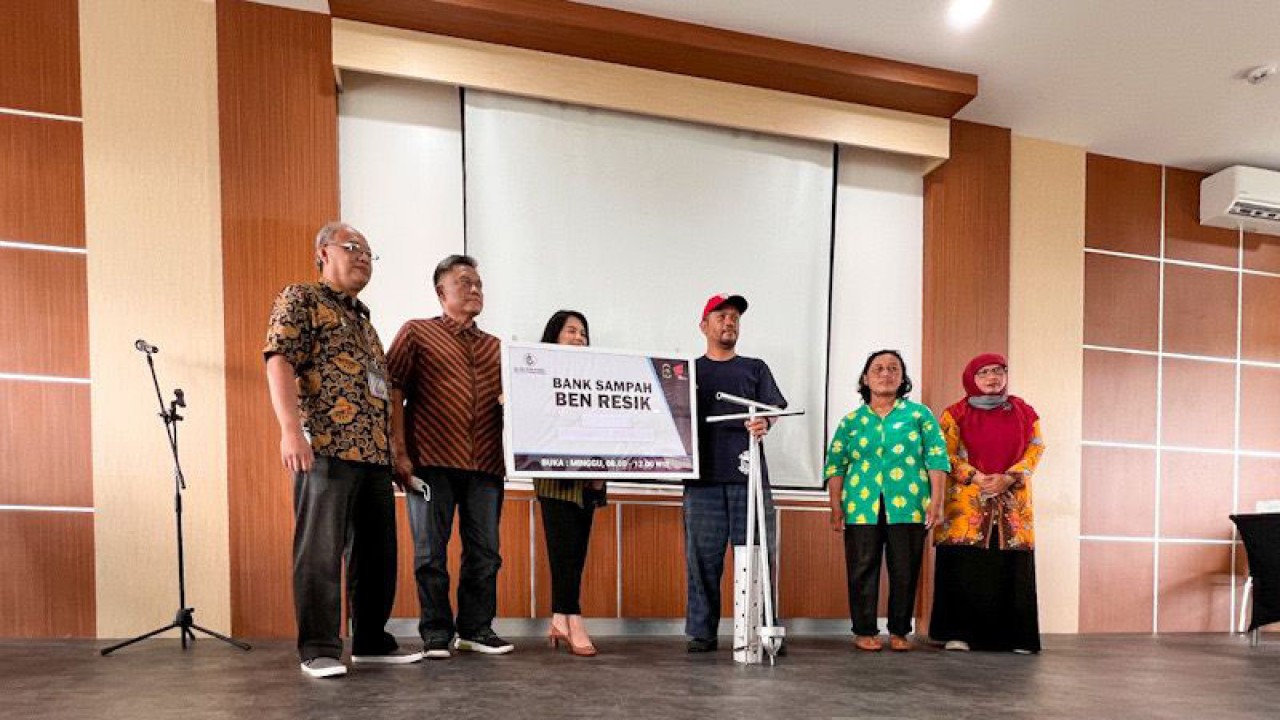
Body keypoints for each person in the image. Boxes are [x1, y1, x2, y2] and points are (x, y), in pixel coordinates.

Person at [264, 222, 422, 678]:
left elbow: (380, 393)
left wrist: (393, 452)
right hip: (325, 448)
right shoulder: (301, 299)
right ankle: (318, 648)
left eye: (370, 253)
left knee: (377, 556)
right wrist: (290, 431)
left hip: (372, 456)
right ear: (322, 253)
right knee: (320, 553)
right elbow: (278, 360)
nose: (363, 258)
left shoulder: (366, 322)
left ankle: (371, 640)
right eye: (352, 248)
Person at [387, 254, 513, 658]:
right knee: (429, 552)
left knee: (486, 554)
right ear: (441, 292)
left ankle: (476, 628)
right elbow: (392, 389)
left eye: (478, 283)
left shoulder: (498, 348)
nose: (475, 288)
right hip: (429, 463)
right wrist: (399, 452)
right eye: (464, 282)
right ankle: (436, 633)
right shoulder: (416, 333)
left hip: (486, 467)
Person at [824, 349, 948, 652]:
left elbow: (937, 457)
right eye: (878, 368)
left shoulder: (920, 415)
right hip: (861, 507)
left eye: (893, 368)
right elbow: (835, 464)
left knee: (905, 569)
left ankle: (899, 631)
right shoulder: (851, 421)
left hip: (908, 504)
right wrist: (835, 505)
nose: (885, 373)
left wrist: (937, 501)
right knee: (862, 567)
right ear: (866, 378)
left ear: (902, 378)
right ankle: (864, 630)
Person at [685, 293, 786, 653]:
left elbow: (773, 409)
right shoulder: (687, 370)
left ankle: (766, 631)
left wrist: (765, 421)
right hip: (702, 479)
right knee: (702, 558)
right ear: (704, 326)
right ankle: (702, 632)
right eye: (721, 316)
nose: (729, 323)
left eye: (734, 318)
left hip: (750, 477)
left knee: (759, 554)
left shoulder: (754, 367)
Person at [930, 353, 1046, 654]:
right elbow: (943, 454)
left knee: (1010, 566)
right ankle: (958, 634)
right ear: (972, 378)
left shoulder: (1024, 411)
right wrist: (975, 476)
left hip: (1012, 500)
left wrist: (1010, 477)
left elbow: (1036, 448)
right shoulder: (954, 414)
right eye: (984, 373)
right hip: (967, 503)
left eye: (998, 371)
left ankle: (1016, 638)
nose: (992, 378)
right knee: (966, 565)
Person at [535, 310, 605, 657]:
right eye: (571, 331)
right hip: (555, 478)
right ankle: (574, 621)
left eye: (583, 333)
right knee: (562, 552)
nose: (579, 338)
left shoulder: (598, 377)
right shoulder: (537, 376)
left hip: (588, 479)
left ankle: (559, 620)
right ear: (554, 336)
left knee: (575, 554)